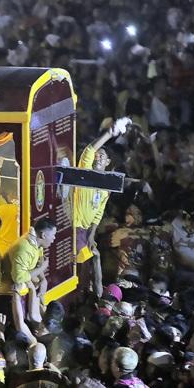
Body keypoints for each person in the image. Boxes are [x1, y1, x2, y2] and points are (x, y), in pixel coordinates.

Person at [74, 118, 123, 297]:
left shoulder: (106, 185)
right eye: (97, 154)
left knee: (92, 263)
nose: (98, 156)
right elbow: (89, 150)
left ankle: (94, 298)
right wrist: (110, 133)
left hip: (85, 230)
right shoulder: (85, 173)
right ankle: (83, 298)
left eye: (102, 155)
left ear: (108, 161)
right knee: (82, 268)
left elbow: (99, 212)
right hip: (75, 227)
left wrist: (92, 233)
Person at [7, 217, 57, 335]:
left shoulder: (37, 244)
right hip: (13, 285)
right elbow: (18, 278)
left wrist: (43, 279)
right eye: (53, 235)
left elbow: (38, 262)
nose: (54, 239)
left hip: (28, 281)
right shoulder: (24, 247)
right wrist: (42, 268)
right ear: (43, 235)